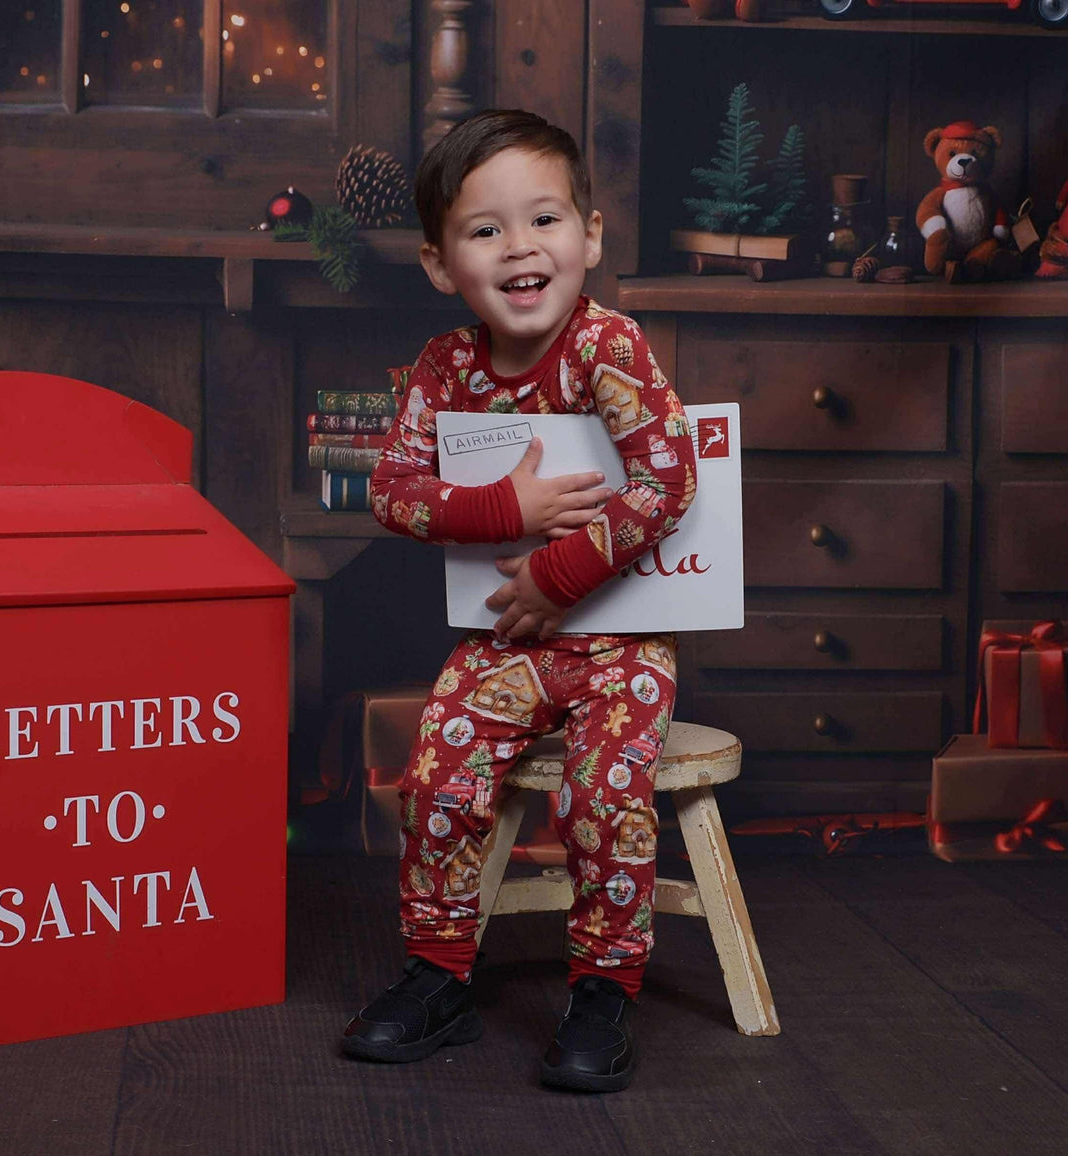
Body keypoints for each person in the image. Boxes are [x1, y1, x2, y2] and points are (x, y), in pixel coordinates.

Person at [339, 109, 698, 1093]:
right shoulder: (443, 370)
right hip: (507, 642)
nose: (518, 247)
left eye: (541, 220)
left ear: (587, 235)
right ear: (436, 260)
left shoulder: (606, 346)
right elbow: (391, 493)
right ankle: (438, 971)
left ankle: (603, 987)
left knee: (602, 791)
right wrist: (505, 508)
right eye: (483, 229)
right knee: (442, 771)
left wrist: (558, 569)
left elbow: (667, 478)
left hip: (617, 639)